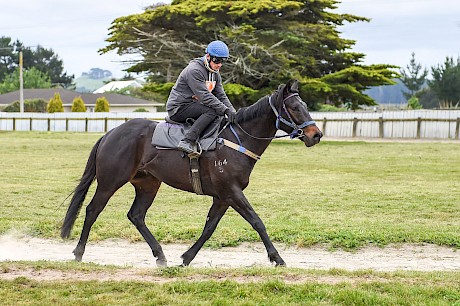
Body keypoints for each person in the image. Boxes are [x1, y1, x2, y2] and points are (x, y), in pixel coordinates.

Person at [166, 40, 236, 154]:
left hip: (194, 105)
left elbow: (221, 95)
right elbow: (205, 96)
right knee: (212, 112)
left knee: (219, 113)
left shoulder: (215, 73)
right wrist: (225, 110)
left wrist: (232, 111)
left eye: (223, 61)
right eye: (217, 60)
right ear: (208, 56)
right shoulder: (194, 70)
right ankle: (187, 141)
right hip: (178, 108)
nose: (219, 65)